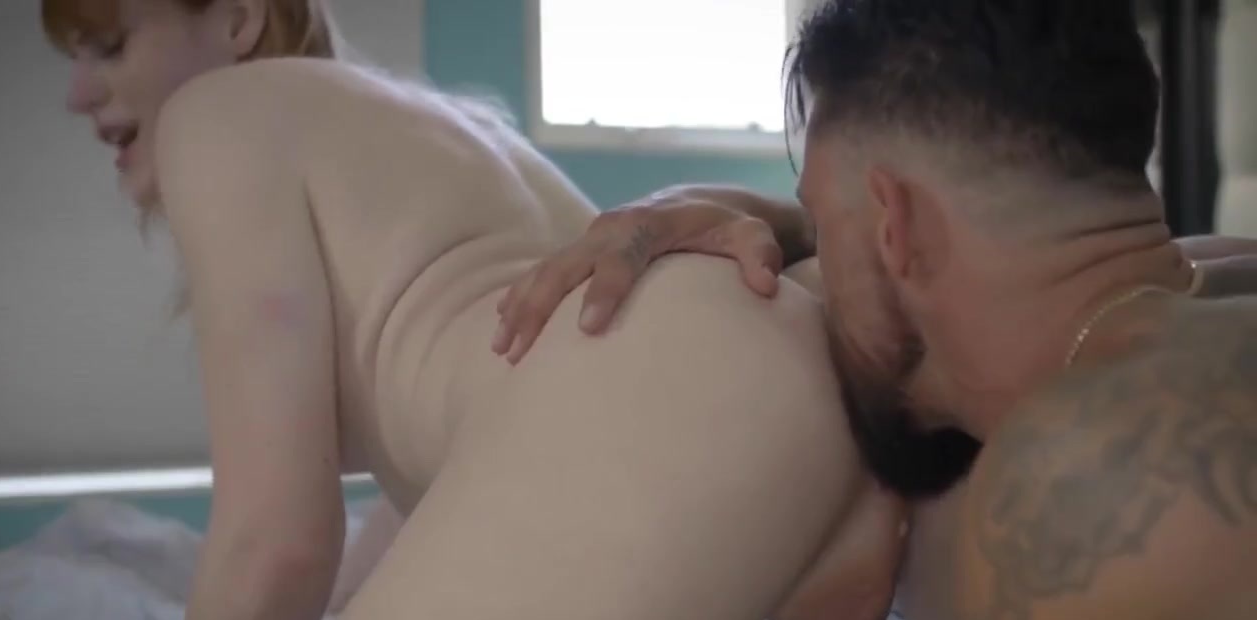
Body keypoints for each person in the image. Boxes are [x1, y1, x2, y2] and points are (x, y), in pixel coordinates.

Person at [41, 1, 911, 619]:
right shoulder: (448, 124)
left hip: (652, 397)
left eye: (109, 46)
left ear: (237, 17)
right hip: (796, 357)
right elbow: (466, 484)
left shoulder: (215, 114)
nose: (76, 93)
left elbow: (274, 544)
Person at [495, 2, 1257, 619]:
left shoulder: (1092, 473)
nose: (817, 255)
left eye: (825, 223)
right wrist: (729, 212)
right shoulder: (1204, 276)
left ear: (895, 227)